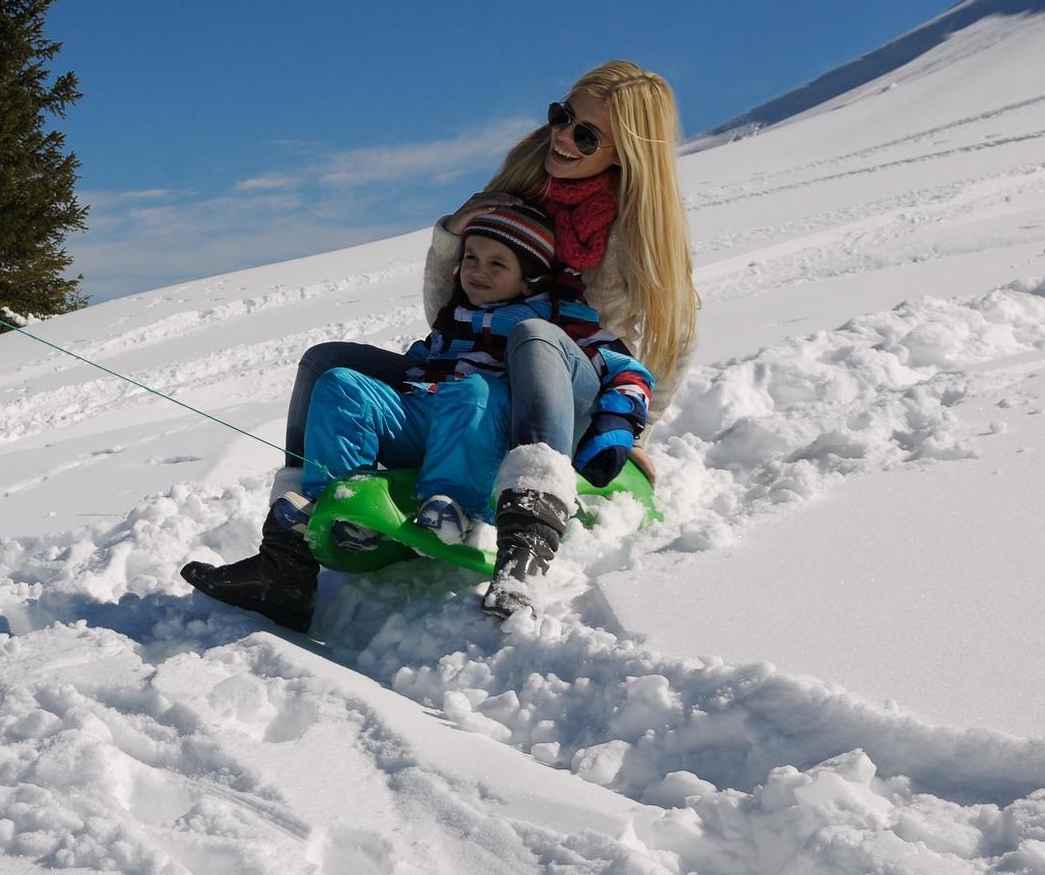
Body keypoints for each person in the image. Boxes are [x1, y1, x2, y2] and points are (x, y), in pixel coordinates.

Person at [182, 61, 698, 627]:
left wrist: (636, 431)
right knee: (327, 364)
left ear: (628, 152)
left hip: (560, 394)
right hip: (469, 381)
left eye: (586, 134)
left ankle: (525, 546)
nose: (562, 137)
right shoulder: (526, 179)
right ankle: (287, 561)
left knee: (531, 336)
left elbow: (663, 339)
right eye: (562, 116)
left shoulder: (634, 231)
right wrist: (453, 239)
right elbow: (448, 313)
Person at [288, 203, 653, 567]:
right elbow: (420, 366)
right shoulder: (455, 320)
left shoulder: (558, 317)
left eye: (497, 264)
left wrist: (618, 423)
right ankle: (341, 497)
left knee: (473, 389)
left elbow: (627, 370)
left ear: (531, 278)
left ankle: (453, 505)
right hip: (432, 419)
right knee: (341, 384)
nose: (478, 271)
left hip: (495, 432)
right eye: (472, 258)